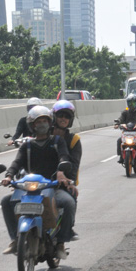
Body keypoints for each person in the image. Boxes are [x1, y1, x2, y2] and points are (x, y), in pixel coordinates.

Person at [0, 105, 75, 259]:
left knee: (68, 203)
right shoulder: (27, 145)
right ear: (32, 125)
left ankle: (61, 242)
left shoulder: (57, 141)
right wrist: (8, 176)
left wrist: (61, 172)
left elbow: (64, 157)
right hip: (29, 188)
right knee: (6, 201)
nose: (42, 124)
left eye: (45, 121)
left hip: (53, 186)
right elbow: (16, 163)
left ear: (50, 123)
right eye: (38, 121)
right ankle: (15, 239)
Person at [51, 100, 82, 240]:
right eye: (61, 115)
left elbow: (74, 164)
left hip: (65, 179)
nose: (63, 119)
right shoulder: (44, 136)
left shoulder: (74, 140)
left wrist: (69, 181)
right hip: (43, 180)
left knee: (70, 197)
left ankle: (66, 231)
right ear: (54, 117)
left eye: (67, 116)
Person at [116, 93, 136, 163]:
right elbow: (120, 119)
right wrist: (117, 123)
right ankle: (121, 156)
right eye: (130, 103)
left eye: (133, 103)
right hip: (126, 132)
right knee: (119, 140)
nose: (131, 105)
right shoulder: (125, 112)